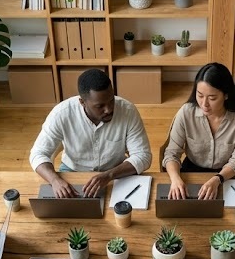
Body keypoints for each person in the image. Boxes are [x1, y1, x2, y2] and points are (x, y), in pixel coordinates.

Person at [29, 68, 151, 198]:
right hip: (73, 170)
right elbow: (38, 154)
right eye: (100, 106)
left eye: (111, 101)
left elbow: (143, 156)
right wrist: (54, 180)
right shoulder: (61, 114)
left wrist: (109, 175)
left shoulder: (128, 111)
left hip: (116, 172)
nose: (108, 110)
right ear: (82, 102)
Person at [162, 62, 235, 200]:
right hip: (192, 170)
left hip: (227, 174)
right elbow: (171, 153)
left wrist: (217, 179)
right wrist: (175, 179)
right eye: (199, 95)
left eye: (212, 98)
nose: (204, 104)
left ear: (226, 95)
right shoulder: (186, 112)